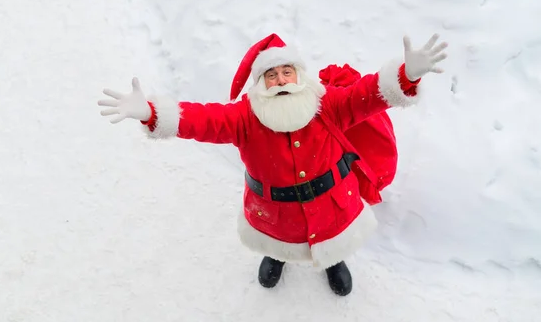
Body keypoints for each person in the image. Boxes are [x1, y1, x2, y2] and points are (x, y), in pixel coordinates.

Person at [97, 33, 448, 296]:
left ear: (298, 75)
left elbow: (367, 94)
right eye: (271, 75)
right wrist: (152, 114)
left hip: (331, 205)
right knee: (278, 238)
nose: (280, 80)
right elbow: (201, 119)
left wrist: (406, 75)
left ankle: (333, 259)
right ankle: (277, 256)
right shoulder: (244, 117)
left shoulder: (327, 105)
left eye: (286, 72)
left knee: (332, 237)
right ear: (262, 83)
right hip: (274, 213)